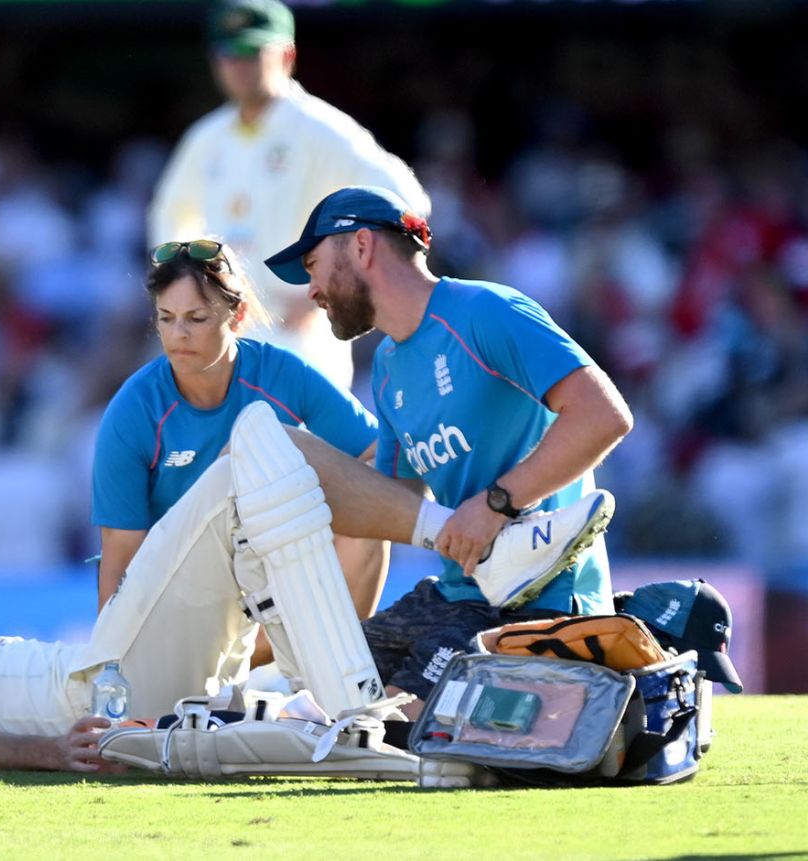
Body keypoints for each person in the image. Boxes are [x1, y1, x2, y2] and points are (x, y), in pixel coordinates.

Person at [0, 401, 612, 772]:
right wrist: (49, 753)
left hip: (125, 679)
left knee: (258, 498)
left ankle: (342, 688)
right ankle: (363, 679)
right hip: (111, 684)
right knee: (255, 438)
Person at [263, 184, 634, 714]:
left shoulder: (486, 311)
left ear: (362, 247)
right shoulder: (388, 366)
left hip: (541, 601)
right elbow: (389, 504)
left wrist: (496, 503)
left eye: (314, 264)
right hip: (457, 596)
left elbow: (604, 416)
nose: (313, 290)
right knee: (320, 700)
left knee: (384, 725)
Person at [93, 238, 386, 637]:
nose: (178, 333)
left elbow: (380, 453)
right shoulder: (134, 410)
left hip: (276, 578)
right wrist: (111, 666)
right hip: (181, 602)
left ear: (238, 315)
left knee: (367, 522)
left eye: (196, 318)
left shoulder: (283, 372)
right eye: (166, 318)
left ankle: (341, 677)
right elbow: (121, 551)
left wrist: (320, 506)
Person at [148, 0, 429, 391]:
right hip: (227, 331)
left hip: (298, 331)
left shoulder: (319, 128)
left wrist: (336, 281)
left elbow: (405, 201)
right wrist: (188, 293)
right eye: (227, 52)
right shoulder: (207, 137)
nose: (239, 64)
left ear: (287, 54)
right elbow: (170, 213)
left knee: (302, 449)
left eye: (252, 51)